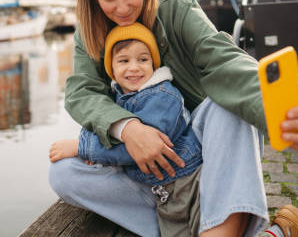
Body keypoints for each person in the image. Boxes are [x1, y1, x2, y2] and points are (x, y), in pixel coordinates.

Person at [49, 0, 298, 237]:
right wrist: (129, 130)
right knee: (63, 174)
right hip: (143, 169)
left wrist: (279, 111)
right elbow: (83, 93)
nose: (122, 7)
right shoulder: (90, 32)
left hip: (197, 155)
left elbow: (223, 60)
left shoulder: (176, 10)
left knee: (224, 107)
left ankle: (216, 229)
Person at [50, 23, 204, 236]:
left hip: (182, 185)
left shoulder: (162, 96)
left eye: (143, 59)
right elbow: (107, 131)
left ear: (153, 64)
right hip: (159, 185)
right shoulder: (120, 98)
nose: (134, 67)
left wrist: (82, 148)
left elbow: (140, 149)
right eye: (124, 60)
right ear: (111, 69)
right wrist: (95, 153)